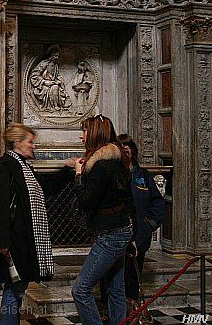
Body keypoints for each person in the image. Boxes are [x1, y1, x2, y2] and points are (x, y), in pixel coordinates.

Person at [0, 124, 69, 325]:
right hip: (13, 242)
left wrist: (67, 169)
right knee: (13, 289)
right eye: (30, 142)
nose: (33, 146)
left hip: (24, 240)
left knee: (18, 288)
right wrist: (2, 243)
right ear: (17, 143)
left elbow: (46, 187)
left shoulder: (23, 167)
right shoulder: (5, 166)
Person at [71, 115, 132, 325]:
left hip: (110, 235)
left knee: (80, 290)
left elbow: (86, 202)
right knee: (116, 288)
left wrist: (78, 176)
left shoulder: (101, 166)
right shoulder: (117, 159)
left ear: (95, 134)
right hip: (120, 229)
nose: (82, 137)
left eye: (85, 132)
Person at [118, 134, 164, 319]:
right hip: (119, 233)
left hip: (139, 235)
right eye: (121, 146)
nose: (125, 148)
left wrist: (148, 225)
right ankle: (115, 311)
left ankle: (132, 311)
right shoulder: (115, 173)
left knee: (133, 274)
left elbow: (157, 204)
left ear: (133, 149)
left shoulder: (142, 175)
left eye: (128, 145)